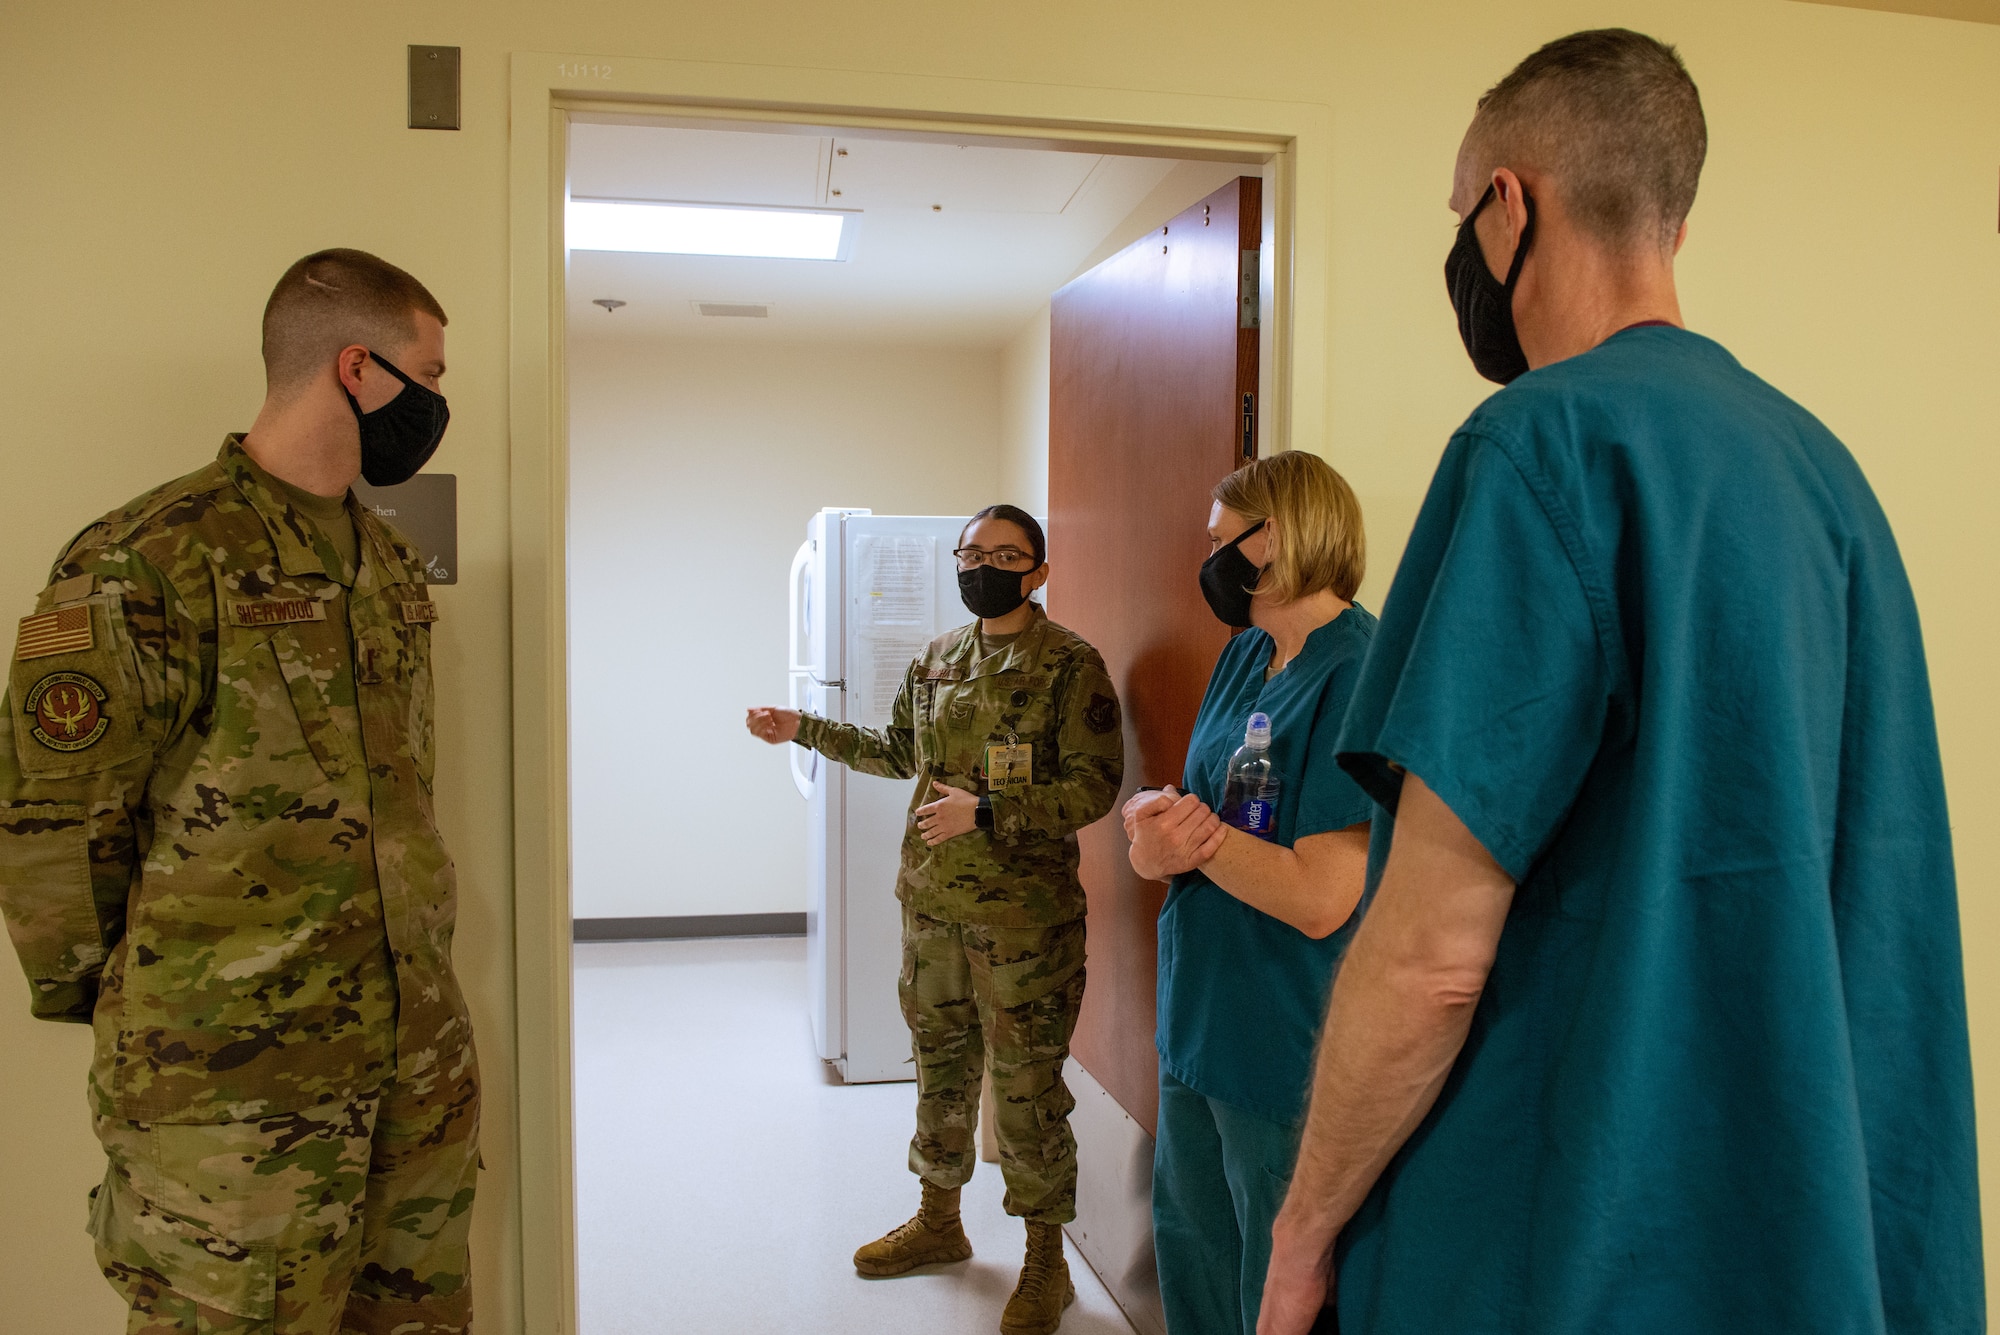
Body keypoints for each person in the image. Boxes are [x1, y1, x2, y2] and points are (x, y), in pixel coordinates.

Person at [1256, 29, 1982, 1335]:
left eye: (1460, 210)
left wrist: (1301, 1232)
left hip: (1564, 1235)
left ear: (1508, 204)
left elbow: (1428, 954)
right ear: (1672, 231)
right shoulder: (1823, 478)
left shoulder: (1541, 446)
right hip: (1793, 1226)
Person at [0, 249, 479, 1335]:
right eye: (432, 375)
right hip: (227, 1090)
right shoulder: (145, 558)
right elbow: (51, 823)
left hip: (413, 1057)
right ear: (358, 369)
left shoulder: (384, 560)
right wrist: (134, 1008)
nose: (441, 403)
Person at [747, 504, 1122, 1335]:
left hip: (1026, 926)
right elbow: (895, 751)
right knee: (940, 1071)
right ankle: (940, 1222)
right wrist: (800, 728)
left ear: (1039, 570)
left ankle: (1044, 1264)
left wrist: (986, 810)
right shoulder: (938, 658)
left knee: (1025, 1092)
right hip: (933, 909)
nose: (984, 565)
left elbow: (1094, 788)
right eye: (973, 551)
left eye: (1005, 553)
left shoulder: (1070, 666)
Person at [1122, 451, 1375, 1335]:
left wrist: (1190, 839)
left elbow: (1320, 895)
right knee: (1193, 1241)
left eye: (1221, 539)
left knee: (1275, 1278)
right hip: (1200, 1007)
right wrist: (1156, 846)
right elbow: (1200, 809)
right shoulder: (1246, 657)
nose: (1211, 560)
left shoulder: (1359, 671)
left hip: (1284, 1030)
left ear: (1272, 539)